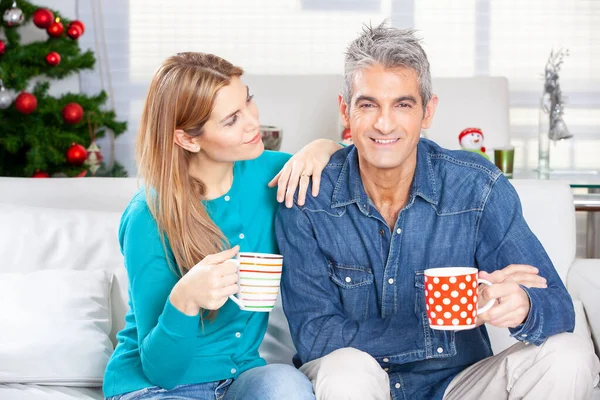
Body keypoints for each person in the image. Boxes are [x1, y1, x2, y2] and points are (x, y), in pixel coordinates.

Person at [275, 23, 600, 400]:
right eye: (368, 105)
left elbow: (558, 308)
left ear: (427, 111)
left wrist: (524, 305)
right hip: (357, 384)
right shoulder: (307, 195)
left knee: (569, 355)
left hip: (459, 386)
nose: (384, 123)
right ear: (345, 111)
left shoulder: (475, 187)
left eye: (402, 104)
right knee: (346, 368)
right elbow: (317, 337)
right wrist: (438, 330)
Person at [103, 52, 343, 400]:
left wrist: (322, 147)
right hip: (155, 387)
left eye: (248, 101)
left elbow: (347, 166)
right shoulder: (149, 216)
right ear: (187, 139)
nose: (252, 123)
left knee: (286, 385)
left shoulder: (271, 174)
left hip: (239, 380)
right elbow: (161, 370)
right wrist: (184, 300)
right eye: (231, 119)